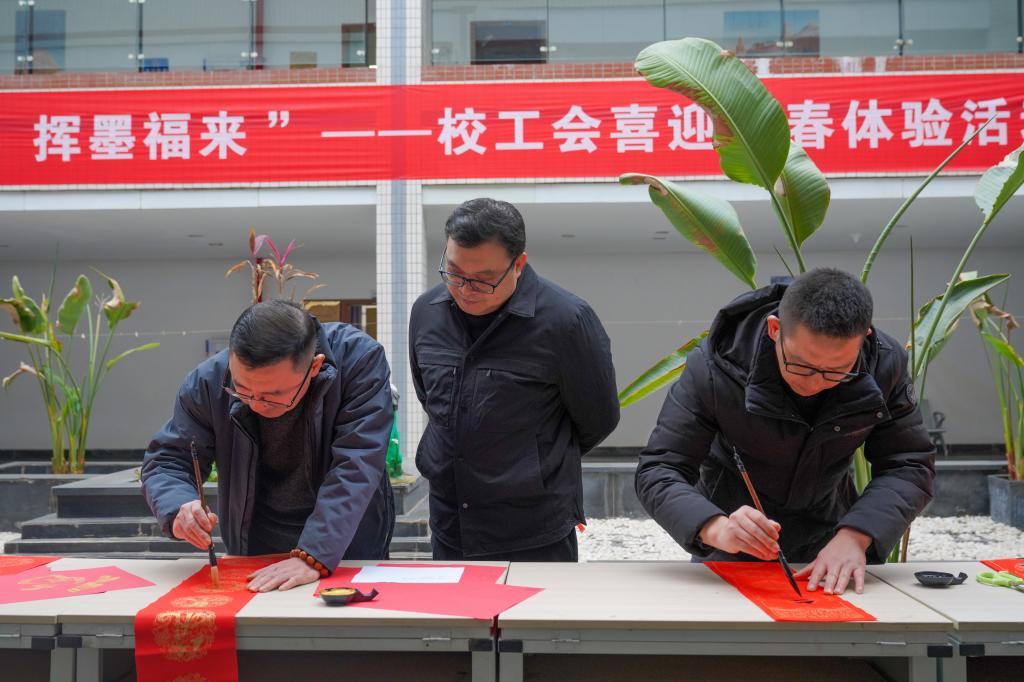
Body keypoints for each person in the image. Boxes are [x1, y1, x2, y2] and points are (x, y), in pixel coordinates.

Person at [635, 268, 935, 595]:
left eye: (838, 371)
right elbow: (659, 469)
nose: (816, 383)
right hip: (733, 536)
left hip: (834, 539)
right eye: (801, 366)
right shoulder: (715, 366)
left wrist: (856, 535)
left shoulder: (884, 365)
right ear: (775, 329)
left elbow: (909, 463)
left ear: (864, 339)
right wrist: (714, 527)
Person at [409, 197, 619, 561]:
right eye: (454, 272)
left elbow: (598, 418)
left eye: (483, 279)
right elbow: (430, 399)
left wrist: (530, 463)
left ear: (518, 264)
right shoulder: (426, 313)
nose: (465, 289)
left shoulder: (566, 321)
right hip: (450, 522)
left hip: (533, 530)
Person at [142, 299, 395, 591]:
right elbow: (168, 459)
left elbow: (357, 462)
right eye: (242, 390)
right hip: (254, 541)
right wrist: (178, 506)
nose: (255, 404)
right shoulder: (209, 381)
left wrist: (313, 554)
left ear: (314, 366)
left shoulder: (357, 361)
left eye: (273, 396)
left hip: (344, 544)